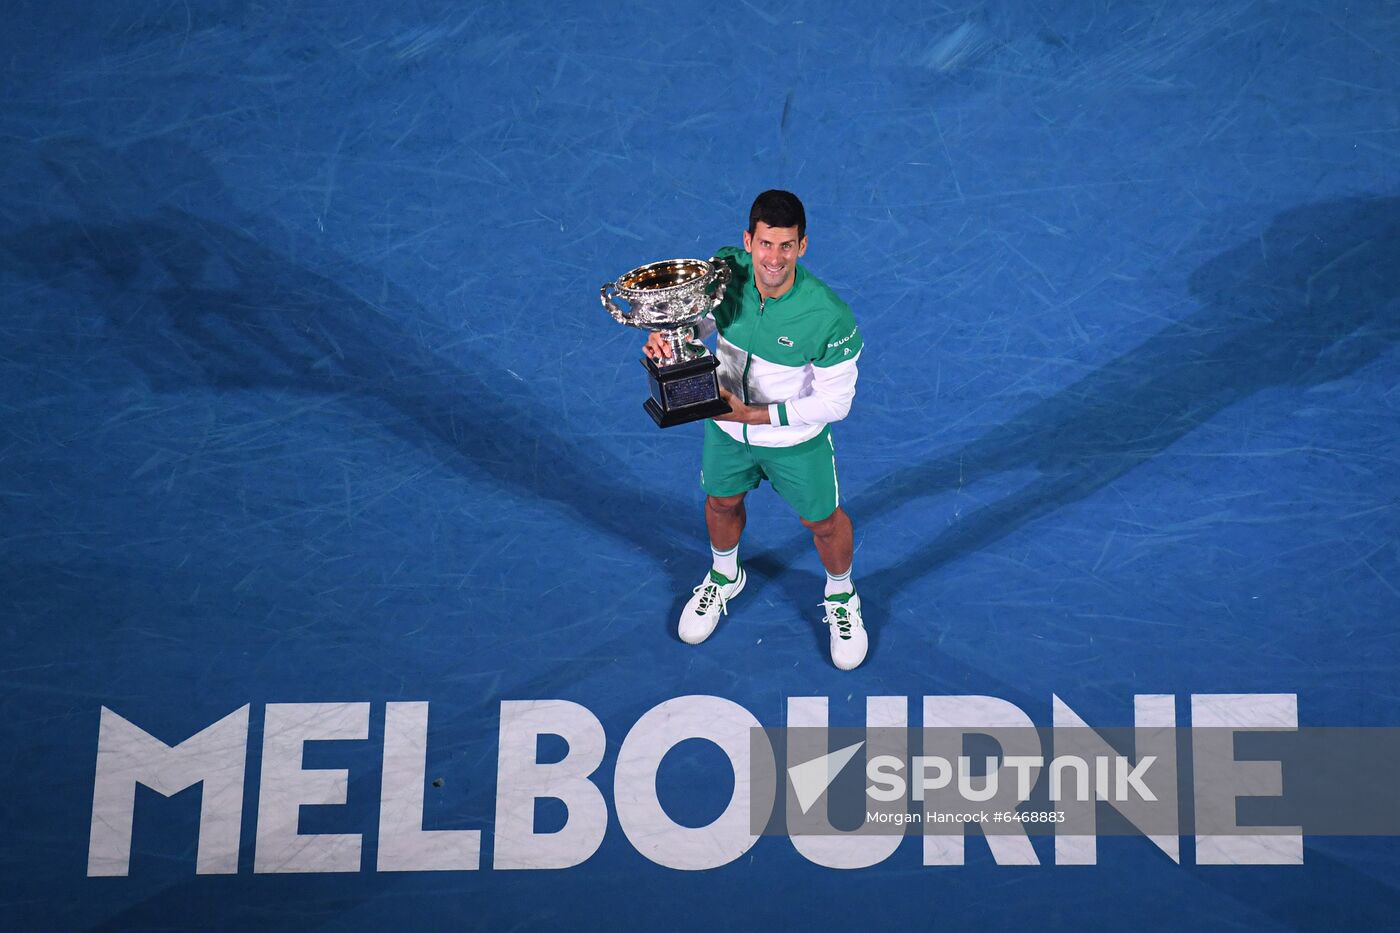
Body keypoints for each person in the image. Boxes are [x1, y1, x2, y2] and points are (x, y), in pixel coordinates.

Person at [644, 190, 867, 670]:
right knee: (721, 502)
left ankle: (842, 594)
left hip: (793, 441)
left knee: (823, 524)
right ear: (748, 240)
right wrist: (671, 333)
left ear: (802, 246)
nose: (774, 258)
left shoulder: (829, 315)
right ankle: (725, 577)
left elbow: (836, 402)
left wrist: (756, 416)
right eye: (766, 244)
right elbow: (702, 321)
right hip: (725, 431)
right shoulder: (725, 271)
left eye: (786, 246)